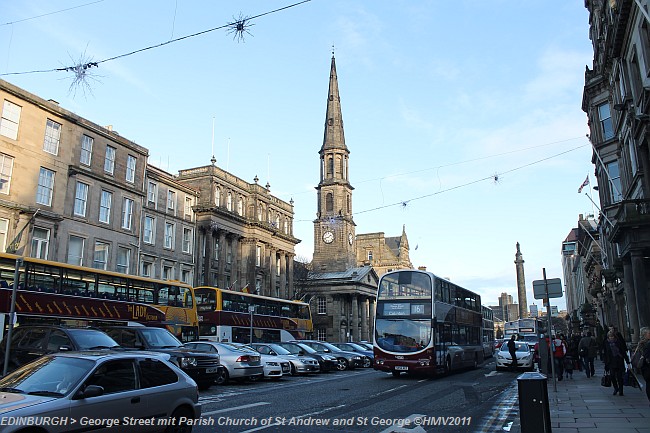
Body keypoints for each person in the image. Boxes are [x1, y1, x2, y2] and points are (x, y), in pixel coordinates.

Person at [603, 329, 630, 396]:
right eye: (610, 337)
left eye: (612, 337)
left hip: (619, 361)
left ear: (614, 337)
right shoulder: (606, 343)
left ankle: (621, 390)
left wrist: (628, 362)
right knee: (612, 376)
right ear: (608, 337)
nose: (611, 338)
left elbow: (623, 352)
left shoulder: (618, 342)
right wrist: (606, 363)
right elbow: (605, 353)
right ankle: (616, 388)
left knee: (619, 377)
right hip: (611, 362)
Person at [636, 326, 650, 403]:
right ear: (644, 334)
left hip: (644, 368)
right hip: (647, 367)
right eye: (649, 333)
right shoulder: (647, 344)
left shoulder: (641, 343)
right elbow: (646, 356)